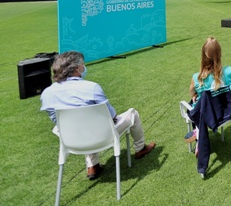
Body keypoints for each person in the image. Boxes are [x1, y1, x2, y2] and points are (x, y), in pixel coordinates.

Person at [40, 51, 156, 180]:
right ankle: (140, 148)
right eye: (83, 65)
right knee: (132, 113)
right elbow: (111, 115)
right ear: (77, 68)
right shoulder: (91, 87)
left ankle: (92, 165)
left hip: (71, 140)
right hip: (102, 136)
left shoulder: (47, 93)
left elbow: (56, 121)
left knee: (83, 126)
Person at [189, 37, 231, 104]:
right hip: (226, 112)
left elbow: (191, 93)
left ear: (203, 56)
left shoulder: (197, 78)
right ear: (220, 53)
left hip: (205, 113)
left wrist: (195, 95)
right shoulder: (229, 71)